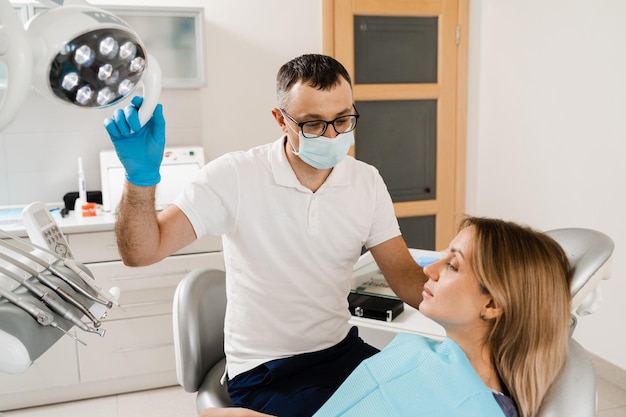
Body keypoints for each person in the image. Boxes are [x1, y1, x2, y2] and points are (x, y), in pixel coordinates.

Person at [103, 53, 426, 416]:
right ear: (280, 120)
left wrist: (480, 316)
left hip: (341, 351)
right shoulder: (235, 176)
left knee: (426, 398)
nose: (333, 135)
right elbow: (142, 252)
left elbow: (404, 275)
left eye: (343, 119)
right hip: (266, 370)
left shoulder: (366, 180)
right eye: (314, 124)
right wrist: (140, 179)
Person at [197, 216, 572, 417]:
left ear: (492, 306)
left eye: (453, 266)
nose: (431, 269)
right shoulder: (423, 345)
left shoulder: (468, 408)